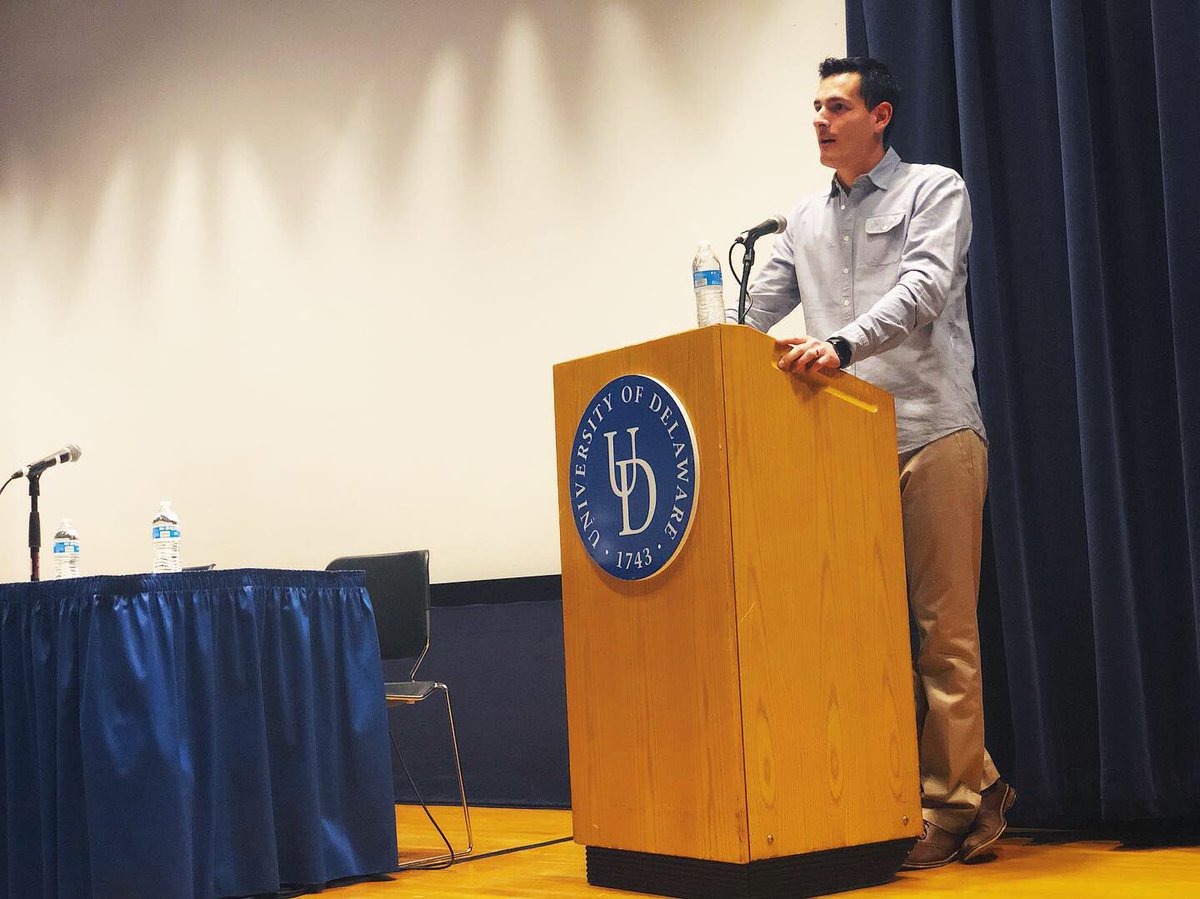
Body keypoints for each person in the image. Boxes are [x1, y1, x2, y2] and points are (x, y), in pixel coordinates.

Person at [731, 56, 1014, 869]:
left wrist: (842, 342)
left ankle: (953, 807)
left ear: (880, 116)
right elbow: (751, 322)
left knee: (943, 631)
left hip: (934, 432)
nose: (820, 120)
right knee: (865, 635)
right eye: (814, 107)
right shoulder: (800, 222)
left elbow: (926, 288)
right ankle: (971, 785)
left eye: (836, 107)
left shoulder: (935, 189)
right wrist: (712, 348)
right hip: (846, 450)